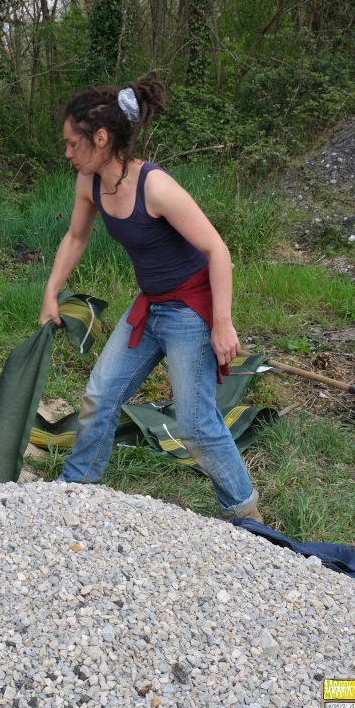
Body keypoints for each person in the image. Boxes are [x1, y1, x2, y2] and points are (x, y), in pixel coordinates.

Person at [39, 73, 262, 522]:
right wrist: (50, 292)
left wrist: (222, 323)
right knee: (100, 395)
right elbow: (76, 237)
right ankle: (76, 488)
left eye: (72, 143)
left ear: (100, 138)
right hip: (150, 306)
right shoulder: (90, 183)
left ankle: (244, 514)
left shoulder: (155, 187)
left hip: (190, 312)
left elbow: (217, 250)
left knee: (196, 424)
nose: (66, 153)